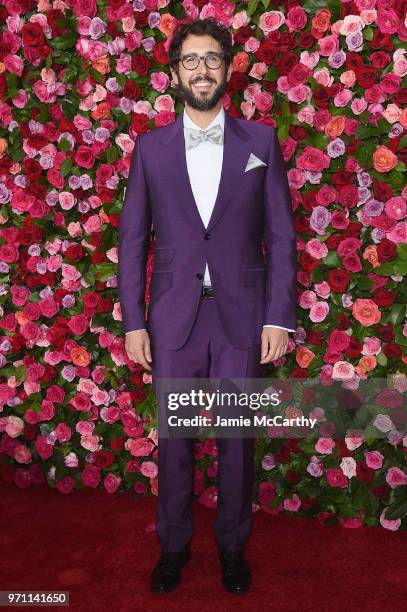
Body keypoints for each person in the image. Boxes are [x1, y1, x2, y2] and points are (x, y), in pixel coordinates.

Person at [118, 17, 297, 595]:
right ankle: (172, 548)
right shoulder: (149, 149)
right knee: (175, 441)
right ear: (175, 72)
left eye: (212, 58)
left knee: (237, 443)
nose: (202, 69)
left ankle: (232, 548)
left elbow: (282, 236)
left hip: (242, 319)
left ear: (227, 68)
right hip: (173, 320)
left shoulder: (261, 142)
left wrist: (277, 316)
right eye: (190, 59)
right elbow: (132, 243)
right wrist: (134, 322)